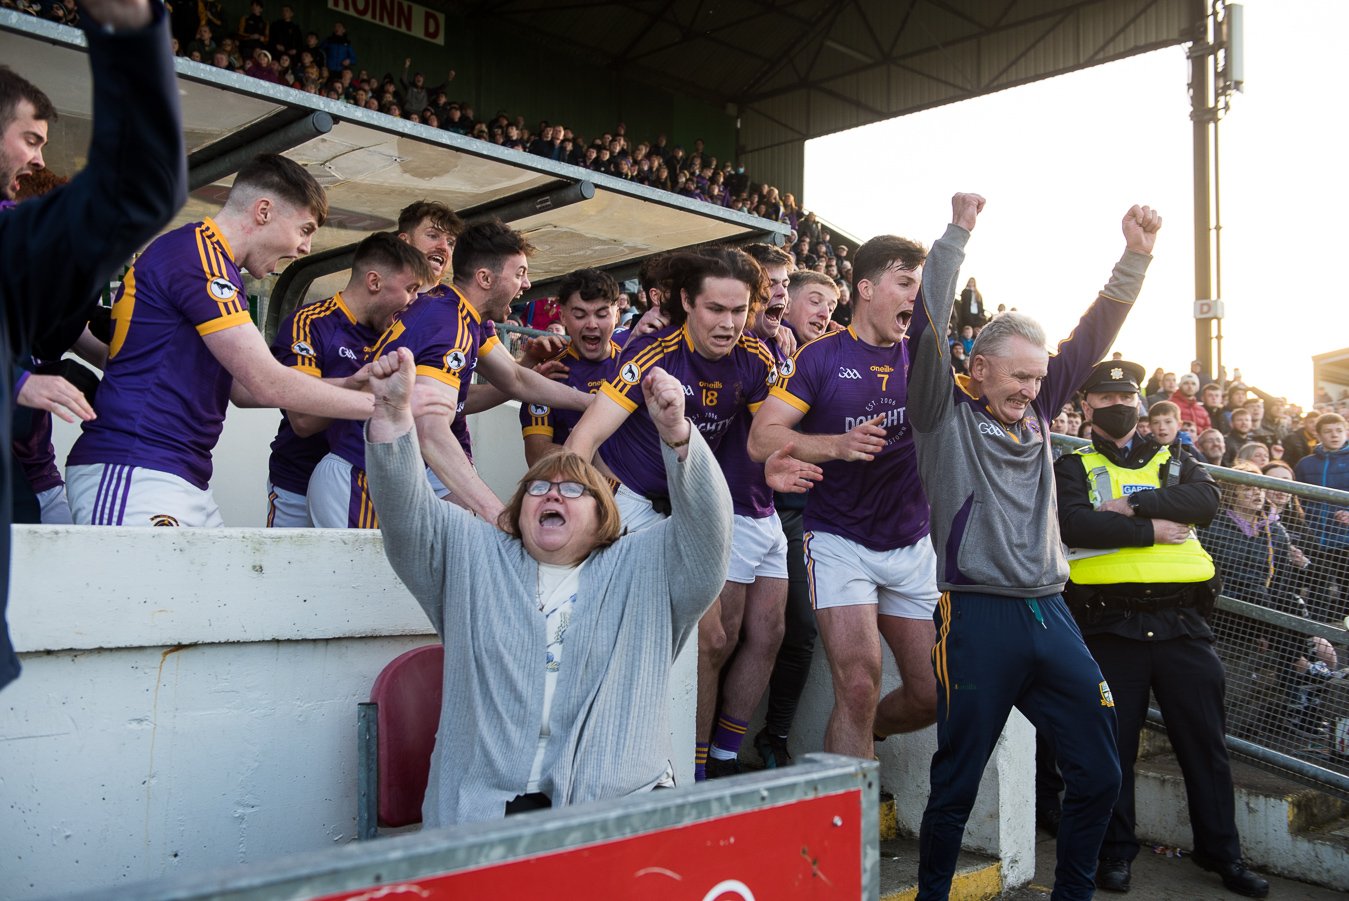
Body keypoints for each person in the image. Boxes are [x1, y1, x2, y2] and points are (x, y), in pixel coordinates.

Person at [907, 193, 1160, 901]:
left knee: (1100, 771)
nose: (1031, 388)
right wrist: (955, 236)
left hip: (1051, 614)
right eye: (1017, 375)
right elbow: (928, 320)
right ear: (977, 365)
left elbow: (1091, 334)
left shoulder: (1040, 411)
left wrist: (1134, 257)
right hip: (977, 616)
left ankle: (1070, 894)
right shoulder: (940, 411)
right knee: (956, 780)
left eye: (1037, 378)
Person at [365, 348, 732, 823]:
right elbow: (406, 518)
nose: (554, 492)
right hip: (483, 811)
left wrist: (678, 437)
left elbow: (708, 537)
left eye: (575, 489)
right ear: (520, 510)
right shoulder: (473, 556)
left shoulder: (646, 564)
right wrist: (393, 419)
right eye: (538, 488)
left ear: (604, 516)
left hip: (617, 809)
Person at [1, 0, 187, 689]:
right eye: (31, 137)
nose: (39, 157)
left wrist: (130, 29)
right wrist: (19, 384)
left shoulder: (13, 245)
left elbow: (139, 189)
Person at [66, 154, 378, 527]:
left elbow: (243, 388)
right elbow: (266, 382)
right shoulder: (197, 256)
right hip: (136, 467)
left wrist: (348, 384)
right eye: (305, 229)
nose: (305, 248)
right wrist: (384, 407)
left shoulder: (214, 264)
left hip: (179, 474)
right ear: (263, 211)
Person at [1055, 360, 1268, 898]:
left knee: (1206, 747)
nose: (1116, 405)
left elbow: (1207, 502)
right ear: (1086, 406)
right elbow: (1074, 522)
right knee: (1113, 750)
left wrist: (1132, 506)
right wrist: (1153, 530)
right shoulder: (1073, 465)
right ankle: (1116, 853)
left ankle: (1223, 854)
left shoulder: (1177, 458)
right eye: (1103, 398)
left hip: (1182, 626)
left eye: (1125, 396)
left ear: (1140, 403)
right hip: (1109, 626)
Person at [749, 232, 940, 759]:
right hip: (839, 540)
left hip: (909, 541)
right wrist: (835, 445)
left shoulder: (924, 359)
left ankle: (862, 736)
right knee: (857, 686)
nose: (912, 299)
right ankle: (848, 830)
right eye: (904, 284)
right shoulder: (819, 358)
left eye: (918, 289)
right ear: (866, 289)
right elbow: (761, 437)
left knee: (931, 694)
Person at [314, 219, 592, 526]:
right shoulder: (451, 325)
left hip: (382, 474)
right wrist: (500, 517)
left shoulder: (459, 313)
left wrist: (593, 403)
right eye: (519, 274)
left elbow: (515, 378)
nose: (526, 285)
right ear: (485, 278)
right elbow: (430, 431)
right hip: (362, 478)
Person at [265, 232, 431, 527]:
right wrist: (368, 389)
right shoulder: (309, 323)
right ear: (374, 281)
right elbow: (302, 421)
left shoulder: (397, 333)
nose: (415, 302)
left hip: (364, 487)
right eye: (411, 289)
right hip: (297, 483)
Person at [519, 268, 622, 465]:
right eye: (580, 315)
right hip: (572, 490)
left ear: (617, 315)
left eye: (602, 314)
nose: (592, 324)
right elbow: (536, 455)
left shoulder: (635, 366)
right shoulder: (548, 372)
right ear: (563, 316)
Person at [1293, 412, 1349, 622]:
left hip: (1345, 540)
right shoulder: (1305, 464)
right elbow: (1298, 499)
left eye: (1338, 430)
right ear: (1318, 434)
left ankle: (1344, 633)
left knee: (1346, 588)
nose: (1334, 435)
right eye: (1328, 431)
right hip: (1314, 538)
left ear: (1346, 432)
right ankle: (1318, 633)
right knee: (1318, 588)